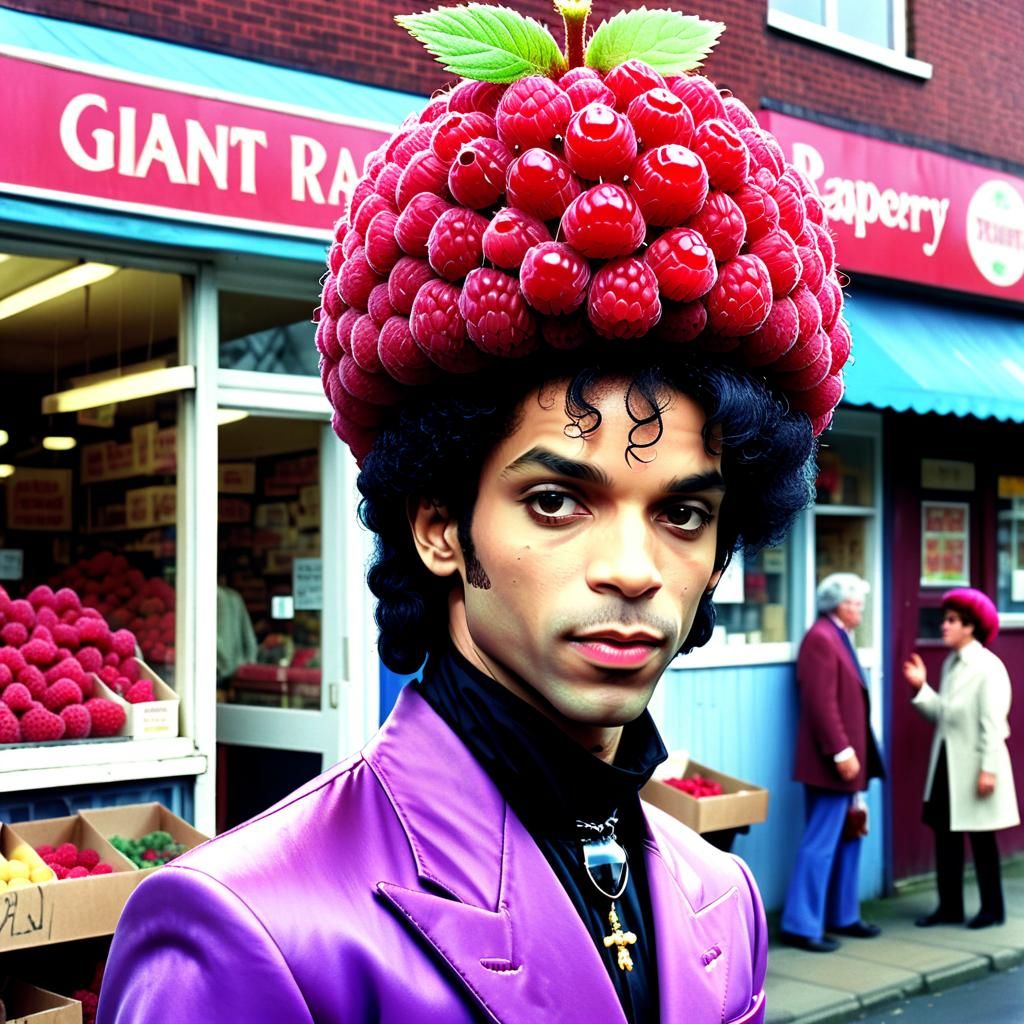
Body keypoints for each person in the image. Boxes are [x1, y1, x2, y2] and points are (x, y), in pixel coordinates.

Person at [97, 4, 850, 1021]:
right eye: (555, 499)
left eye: (680, 514)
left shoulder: (722, 897)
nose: (632, 567)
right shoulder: (250, 929)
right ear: (439, 524)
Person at [779, 573, 886, 952]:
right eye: (856, 603)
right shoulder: (821, 639)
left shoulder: (837, 635)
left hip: (847, 762)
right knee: (821, 843)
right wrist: (841, 751)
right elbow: (820, 703)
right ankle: (801, 924)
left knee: (849, 838)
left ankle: (843, 915)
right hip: (832, 763)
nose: (860, 609)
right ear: (841, 605)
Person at [903, 588, 1019, 929]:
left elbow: (993, 725)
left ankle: (992, 910)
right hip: (947, 766)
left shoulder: (988, 667)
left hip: (975, 768)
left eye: (952, 620)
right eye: (945, 619)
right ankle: (949, 907)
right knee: (945, 837)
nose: (944, 626)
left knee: (983, 841)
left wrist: (988, 770)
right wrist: (921, 687)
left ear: (971, 626)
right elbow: (944, 714)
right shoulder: (953, 664)